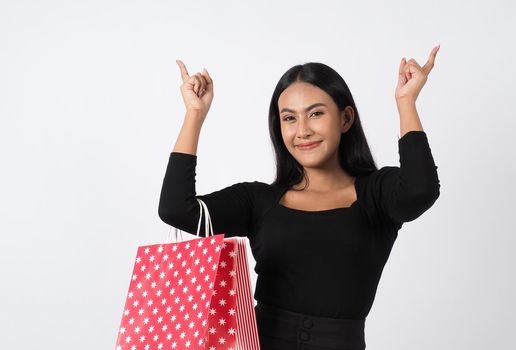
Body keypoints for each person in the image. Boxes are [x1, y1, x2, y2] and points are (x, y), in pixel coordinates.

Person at [159, 47, 441, 350]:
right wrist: (194, 115)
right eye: (289, 118)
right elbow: (176, 209)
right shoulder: (258, 200)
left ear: (345, 119)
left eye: (316, 113)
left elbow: (420, 190)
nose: (303, 130)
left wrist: (406, 102)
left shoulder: (375, 194)